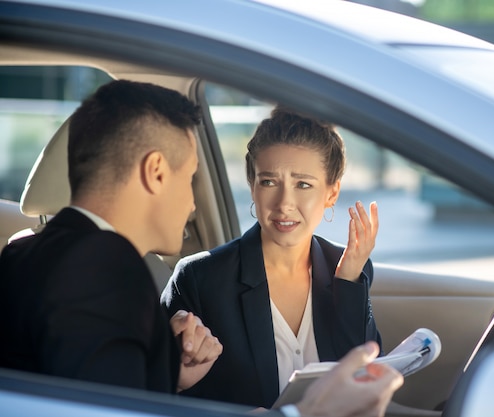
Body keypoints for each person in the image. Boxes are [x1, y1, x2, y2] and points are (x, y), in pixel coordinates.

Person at [0, 80, 402, 417]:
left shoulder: (42, 259)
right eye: (190, 178)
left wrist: (171, 375)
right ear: (156, 172)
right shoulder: (99, 275)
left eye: (303, 184)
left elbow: (106, 394)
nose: (193, 204)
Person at [161, 107, 382, 408]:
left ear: (332, 193)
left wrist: (348, 283)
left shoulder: (348, 269)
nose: (284, 204)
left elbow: (363, 381)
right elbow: (160, 393)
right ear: (252, 185)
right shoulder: (199, 279)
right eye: (268, 182)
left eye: (303, 184)